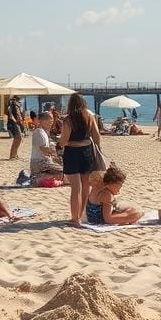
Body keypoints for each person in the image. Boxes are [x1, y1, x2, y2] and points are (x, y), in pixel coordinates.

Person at [59, 93, 102, 227]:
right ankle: (81, 215)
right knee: (85, 187)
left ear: (70, 104)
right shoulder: (89, 117)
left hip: (72, 153)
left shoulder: (68, 120)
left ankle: (74, 218)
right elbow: (97, 136)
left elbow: (64, 140)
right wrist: (98, 150)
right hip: (87, 152)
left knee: (75, 188)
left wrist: (58, 143)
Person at [30, 111, 65, 186]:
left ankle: (44, 178)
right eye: (47, 119)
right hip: (41, 163)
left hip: (44, 162)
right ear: (40, 121)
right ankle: (39, 179)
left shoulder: (44, 132)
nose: (50, 121)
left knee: (64, 170)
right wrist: (57, 151)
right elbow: (44, 150)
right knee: (66, 173)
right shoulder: (39, 132)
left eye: (51, 119)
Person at [6, 95, 23, 160]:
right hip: (14, 124)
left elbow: (19, 116)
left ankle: (14, 154)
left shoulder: (16, 106)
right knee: (18, 138)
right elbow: (11, 116)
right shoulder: (12, 106)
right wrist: (16, 122)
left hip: (16, 124)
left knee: (17, 139)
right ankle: (12, 155)